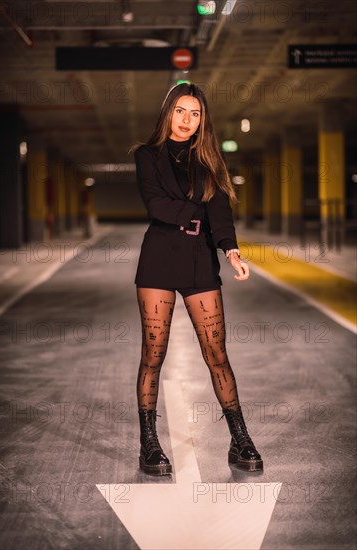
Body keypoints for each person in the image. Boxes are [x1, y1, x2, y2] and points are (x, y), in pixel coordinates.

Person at [133, 82, 263, 476]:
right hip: (158, 259)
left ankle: (240, 439)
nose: (188, 120)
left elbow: (220, 212)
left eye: (196, 114)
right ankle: (149, 444)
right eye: (181, 111)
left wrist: (232, 250)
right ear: (168, 112)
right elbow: (156, 206)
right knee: (153, 356)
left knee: (217, 353)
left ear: (203, 119)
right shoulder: (147, 155)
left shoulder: (209, 162)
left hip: (199, 260)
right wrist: (197, 210)